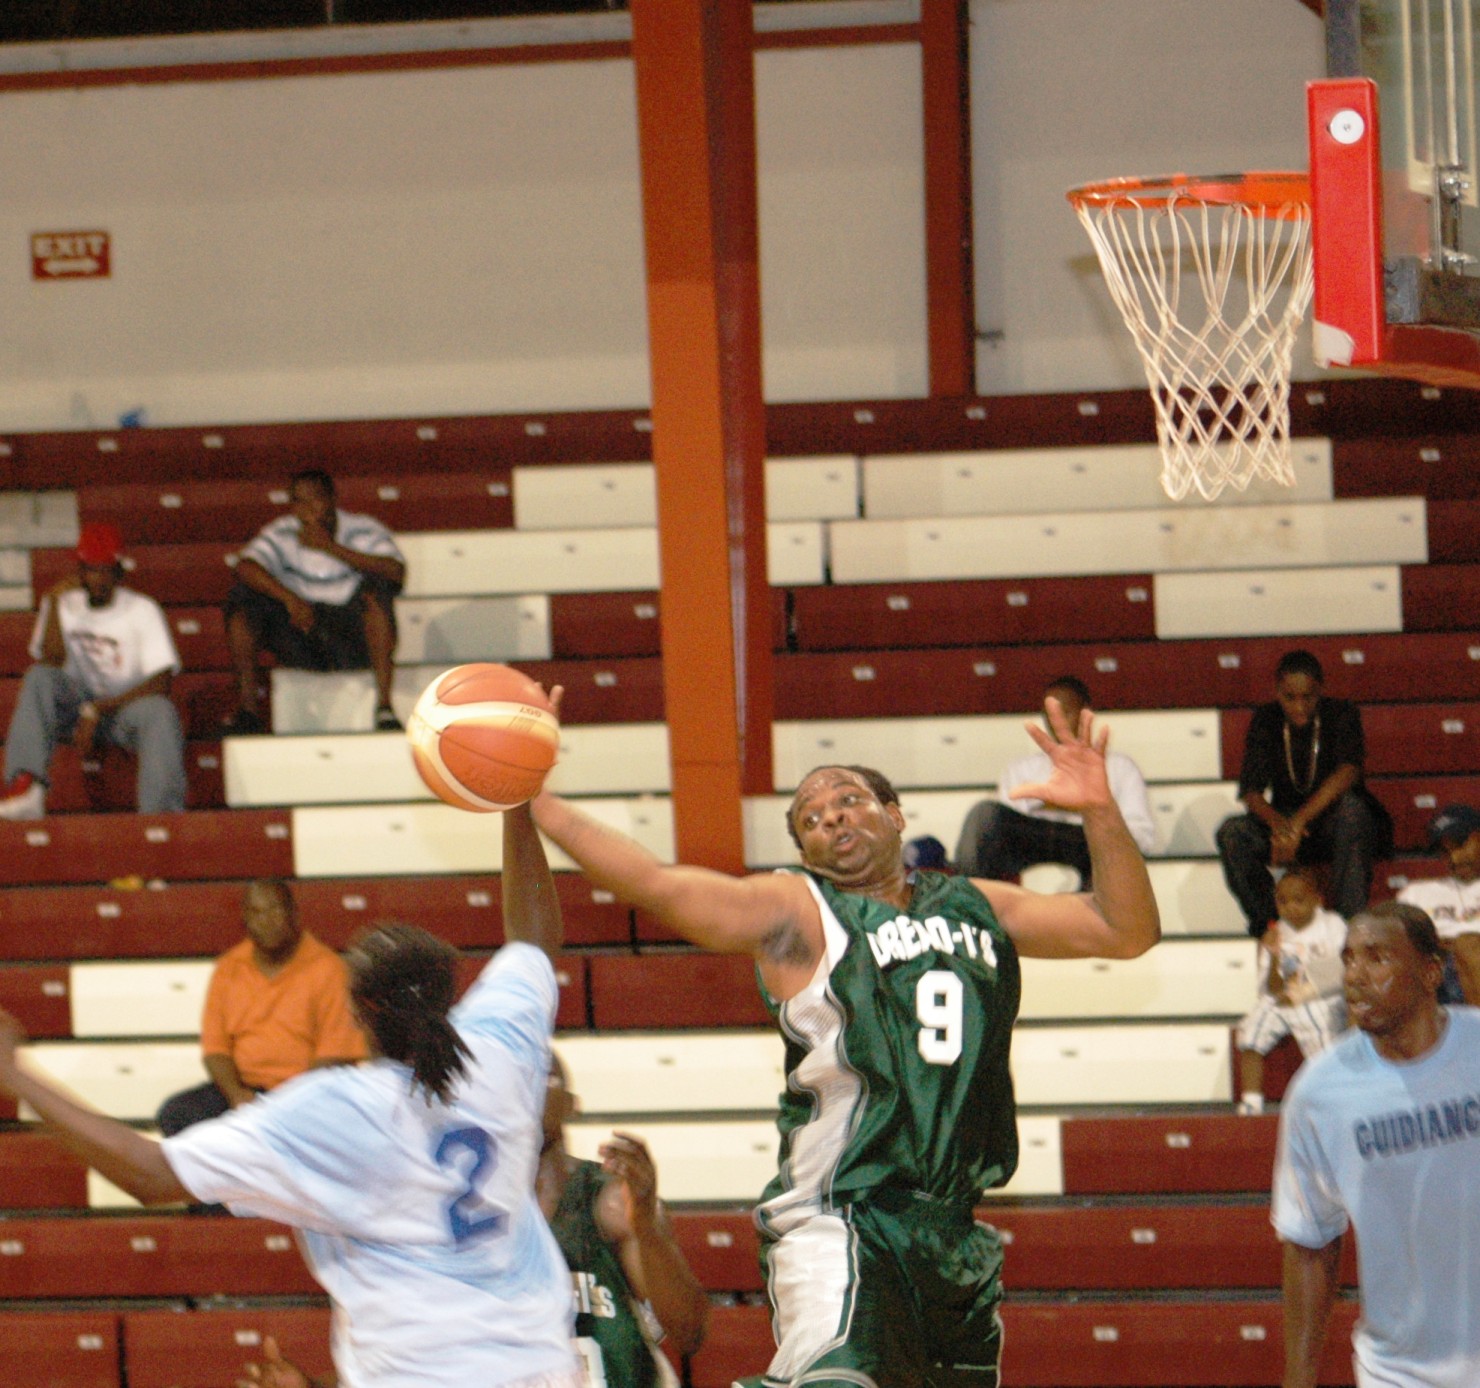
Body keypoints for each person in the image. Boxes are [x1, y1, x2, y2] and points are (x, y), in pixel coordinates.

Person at [531, 696, 1160, 1387]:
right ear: (807, 854)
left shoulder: (978, 904)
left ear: (896, 817)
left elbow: (1125, 930)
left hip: (953, 1235)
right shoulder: (800, 911)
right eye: (812, 817)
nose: (831, 815)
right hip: (842, 1213)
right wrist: (535, 798)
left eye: (849, 800)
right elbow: (655, 883)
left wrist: (1101, 808)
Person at [0, 800, 581, 1388]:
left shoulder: (335, 1111)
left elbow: (151, 1175)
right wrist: (516, 803)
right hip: (543, 1367)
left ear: (359, 1011)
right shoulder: (498, 1050)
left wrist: (14, 1074)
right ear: (447, 991)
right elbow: (535, 939)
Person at [1273, 900, 1480, 1388]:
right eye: (1348, 959)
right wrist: (1298, 1378)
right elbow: (1309, 1240)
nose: (1355, 976)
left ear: (1431, 972)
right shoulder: (1319, 1092)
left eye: (1377, 958)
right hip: (1398, 1371)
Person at [0, 521, 186, 820]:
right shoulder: (63, 602)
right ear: (79, 571)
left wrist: (98, 709)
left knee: (161, 712)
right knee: (38, 677)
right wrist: (52, 604)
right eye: (89, 569)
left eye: (103, 570)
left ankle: (160, 817)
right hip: (74, 708)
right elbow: (50, 660)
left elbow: (162, 682)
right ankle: (27, 789)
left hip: (124, 710)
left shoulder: (143, 609)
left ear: (118, 572)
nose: (96, 578)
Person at [539, 1058, 708, 1387]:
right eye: (516, 1072)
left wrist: (647, 1228)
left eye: (544, 1075)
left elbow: (691, 1333)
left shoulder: (614, 1201)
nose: (529, 1085)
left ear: (572, 1104)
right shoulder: (473, 1208)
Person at [155, 880, 367, 1137]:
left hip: (309, 1095)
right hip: (245, 1092)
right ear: (244, 920)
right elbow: (215, 1050)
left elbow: (336, 1057)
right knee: (176, 1113)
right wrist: (237, 1096)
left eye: (275, 910)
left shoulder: (330, 969)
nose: (266, 920)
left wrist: (283, 1105)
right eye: (256, 912)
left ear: (294, 914)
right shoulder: (228, 967)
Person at [1216, 650, 1392, 937]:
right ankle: (1272, 925)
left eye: (1308, 697)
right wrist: (1280, 827)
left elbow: (1348, 773)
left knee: (1352, 812)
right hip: (1287, 825)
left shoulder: (1341, 713)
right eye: (1289, 697)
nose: (1300, 706)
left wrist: (1299, 822)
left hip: (1331, 823)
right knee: (1232, 833)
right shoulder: (1266, 719)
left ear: (1320, 691)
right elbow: (1251, 792)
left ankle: (1351, 929)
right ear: (1277, 693)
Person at [223, 468, 406, 735]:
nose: (305, 508)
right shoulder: (283, 531)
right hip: (302, 633)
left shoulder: (362, 528)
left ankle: (385, 707)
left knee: (376, 592)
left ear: (332, 499)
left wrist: (329, 547)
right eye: (298, 500)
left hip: (350, 638)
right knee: (242, 601)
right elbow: (245, 567)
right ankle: (249, 713)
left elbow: (396, 571)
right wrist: (290, 599)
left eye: (314, 499)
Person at [954, 676, 1157, 885]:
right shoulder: (1022, 768)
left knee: (1109, 854)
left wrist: (1094, 812)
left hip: (1089, 842)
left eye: (1064, 712)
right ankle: (965, 908)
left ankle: (1088, 914)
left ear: (1086, 713)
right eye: (1048, 715)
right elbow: (1005, 831)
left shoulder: (1120, 767)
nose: (1055, 722)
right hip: (1033, 843)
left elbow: (1141, 838)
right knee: (983, 815)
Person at [1233, 868, 1347, 1116]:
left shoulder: (1332, 924)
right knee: (1251, 1029)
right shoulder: (1277, 933)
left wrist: (1302, 990)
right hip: (1283, 1000)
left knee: (1319, 1028)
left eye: (1298, 900)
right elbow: (1272, 989)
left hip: (1323, 996)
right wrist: (1274, 956)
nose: (1291, 908)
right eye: (1283, 902)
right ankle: (1251, 1101)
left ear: (1317, 900)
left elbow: (1342, 969)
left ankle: (1330, 1097)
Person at [1397, 804, 1480, 1006]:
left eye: (1460, 846)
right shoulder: (1415, 893)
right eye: (1445, 851)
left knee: (1467, 946)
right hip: (1433, 978)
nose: (1454, 858)